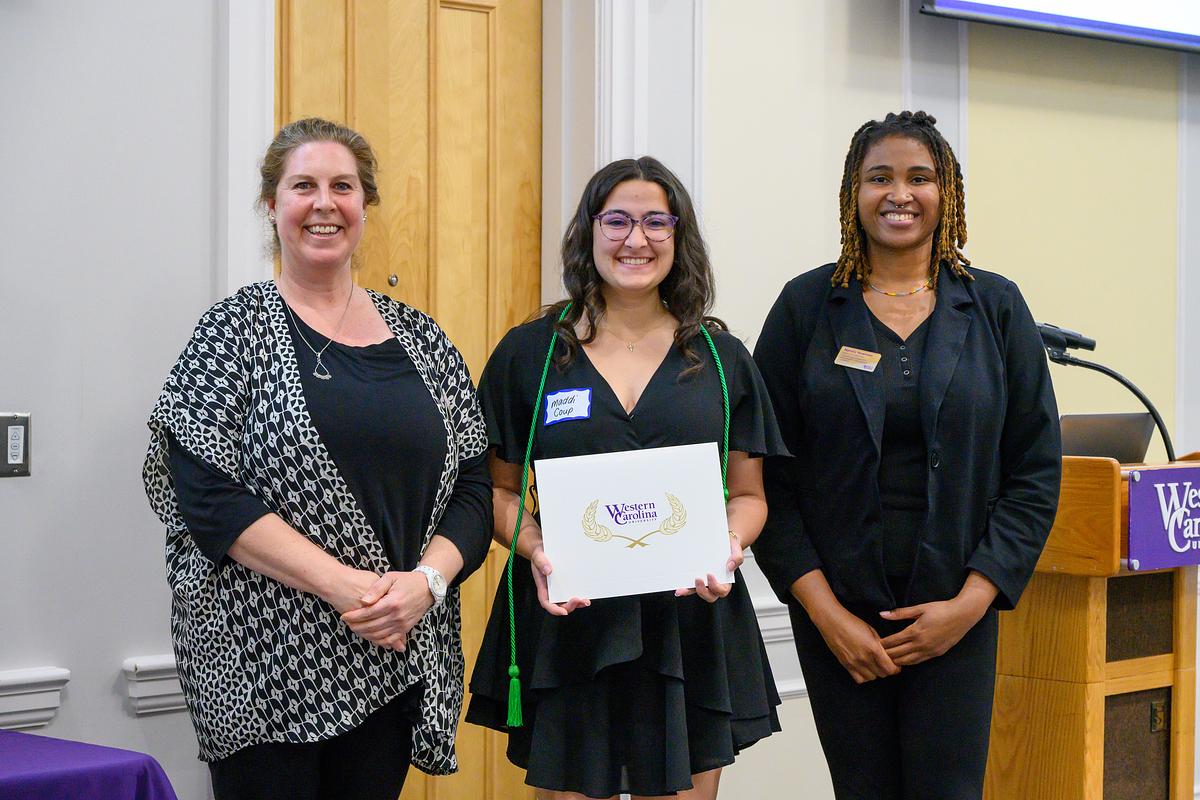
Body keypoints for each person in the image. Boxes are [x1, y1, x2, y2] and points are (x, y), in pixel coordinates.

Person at [142, 117, 492, 800]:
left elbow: (475, 484)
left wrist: (426, 583)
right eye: (303, 186)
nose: (324, 203)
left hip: (392, 655)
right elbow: (206, 494)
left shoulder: (422, 339)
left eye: (343, 186)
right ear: (272, 206)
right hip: (263, 669)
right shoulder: (232, 331)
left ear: (366, 206)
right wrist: (348, 588)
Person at [751, 110, 1061, 800]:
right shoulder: (806, 308)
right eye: (879, 177)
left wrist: (972, 600)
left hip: (958, 606)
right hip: (838, 614)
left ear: (946, 192)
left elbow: (1035, 472)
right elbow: (763, 474)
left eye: (920, 177)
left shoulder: (995, 307)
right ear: (851, 193)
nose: (900, 193)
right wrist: (826, 613)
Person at [465, 156, 785, 800]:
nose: (635, 240)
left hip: (689, 621)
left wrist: (729, 547)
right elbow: (496, 493)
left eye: (654, 222)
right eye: (616, 220)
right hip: (569, 622)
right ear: (588, 232)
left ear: (679, 236)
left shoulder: (722, 361)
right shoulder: (530, 353)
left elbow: (749, 496)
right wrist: (536, 550)